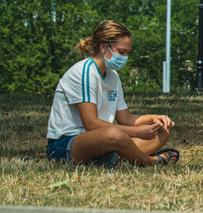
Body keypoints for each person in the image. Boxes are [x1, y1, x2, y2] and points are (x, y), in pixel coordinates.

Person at [47, 20, 179, 167]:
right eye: (121, 52)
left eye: (127, 52)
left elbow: (126, 118)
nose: (125, 57)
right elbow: (91, 123)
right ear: (104, 47)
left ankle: (110, 158)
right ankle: (151, 160)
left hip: (103, 139)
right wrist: (136, 133)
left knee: (162, 132)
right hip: (66, 144)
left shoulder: (113, 75)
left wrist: (154, 118)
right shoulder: (85, 72)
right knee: (114, 134)